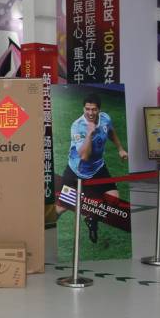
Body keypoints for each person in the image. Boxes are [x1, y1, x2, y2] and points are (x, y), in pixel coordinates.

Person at [57, 93, 128, 243]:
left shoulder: (105, 118)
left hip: (98, 168)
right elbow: (84, 156)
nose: (90, 113)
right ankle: (46, 227)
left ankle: (92, 218)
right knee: (62, 207)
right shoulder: (77, 126)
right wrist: (89, 134)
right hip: (77, 172)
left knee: (113, 199)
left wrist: (120, 149)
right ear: (83, 108)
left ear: (99, 110)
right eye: (87, 109)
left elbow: (110, 131)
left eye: (94, 109)